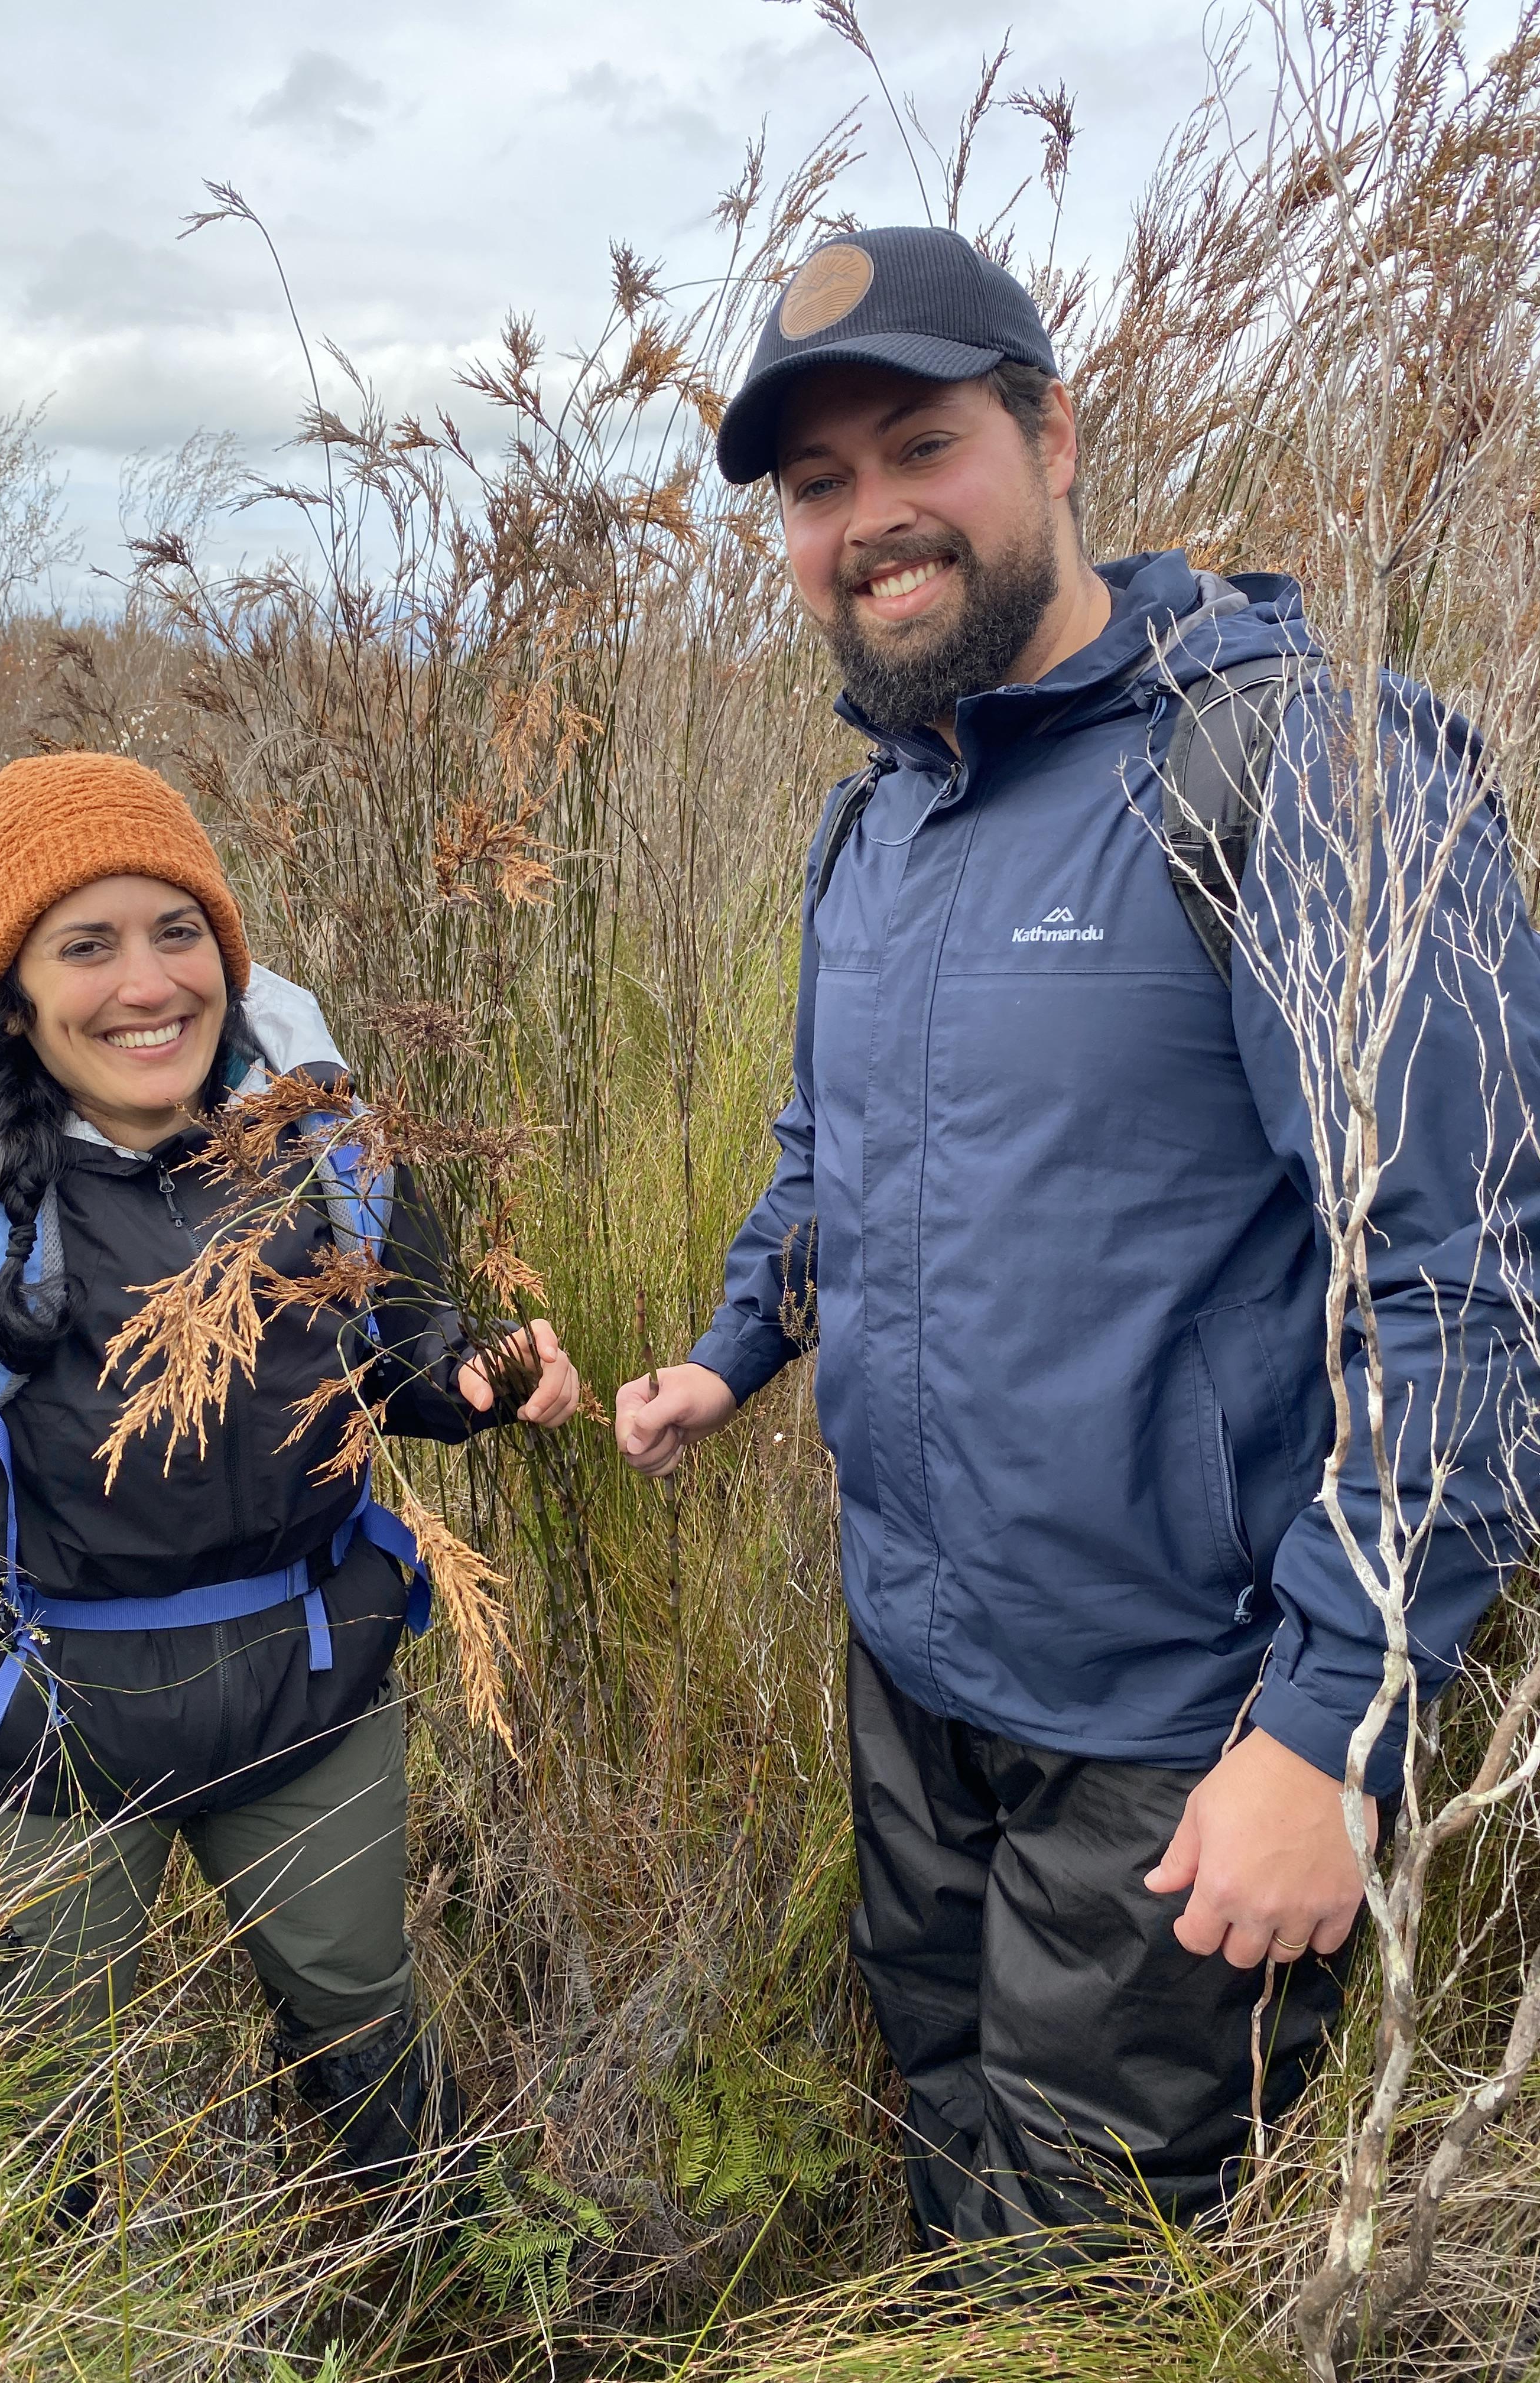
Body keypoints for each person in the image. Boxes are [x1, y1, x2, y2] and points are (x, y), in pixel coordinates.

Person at [614, 225, 1540, 2251]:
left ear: (1050, 434)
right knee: (943, 2127)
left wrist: (1330, 1730)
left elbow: (1463, 1290)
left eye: (919, 447)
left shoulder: (1307, 773)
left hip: (1175, 1727)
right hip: (914, 1666)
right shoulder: (877, 820)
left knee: (1086, 2259)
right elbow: (834, 1153)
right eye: (818, 484)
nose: (870, 519)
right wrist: (733, 1350)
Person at [0, 752, 580, 2206]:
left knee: (365, 2025)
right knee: (41, 2109)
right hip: (41, 1735)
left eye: (178, 932)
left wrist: (482, 1381)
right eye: (87, 945)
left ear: (226, 951)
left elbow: (399, 1361)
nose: (149, 985)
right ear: (14, 995)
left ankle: (450, 2266)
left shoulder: (325, 1147)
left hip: (308, 1700)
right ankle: (61, 2306)